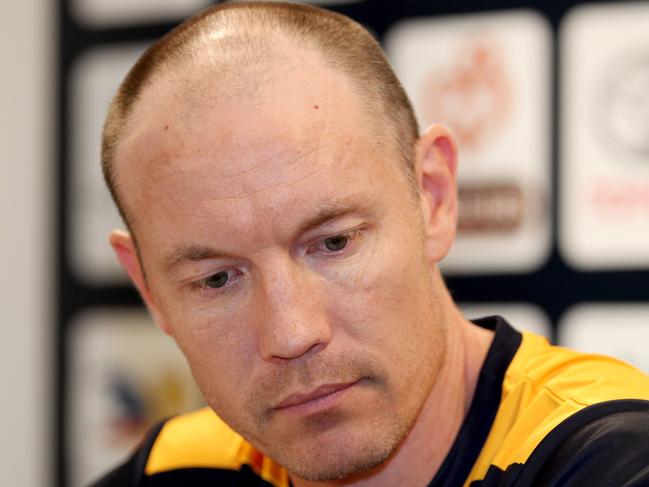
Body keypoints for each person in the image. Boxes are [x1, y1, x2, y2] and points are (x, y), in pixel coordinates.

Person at [92, 2, 649, 486]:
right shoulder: (182, 469)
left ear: (432, 197)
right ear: (150, 290)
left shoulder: (608, 457)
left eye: (333, 242)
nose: (292, 333)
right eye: (216, 279)